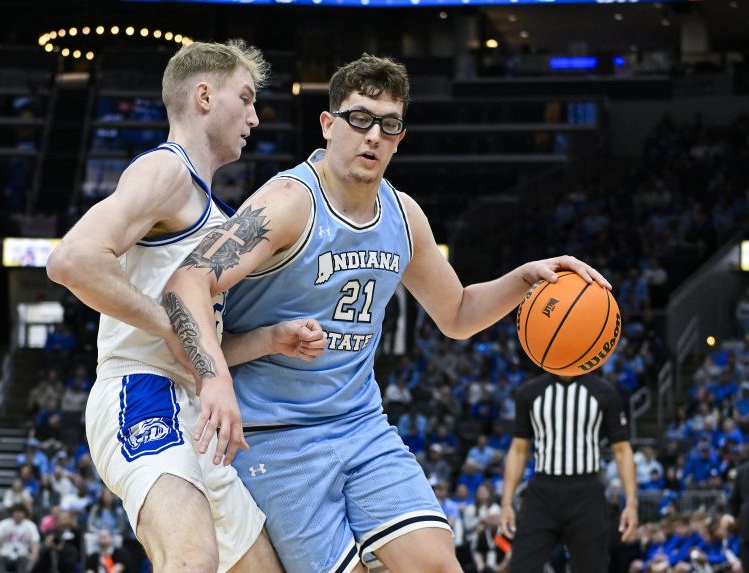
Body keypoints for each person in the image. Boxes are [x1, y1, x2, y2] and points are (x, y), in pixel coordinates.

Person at [164, 53, 611, 572]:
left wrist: (523, 279)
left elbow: (457, 313)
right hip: (276, 434)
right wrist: (214, 378)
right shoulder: (288, 202)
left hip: (361, 425)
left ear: (401, 137)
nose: (373, 135)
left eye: (389, 124)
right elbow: (186, 282)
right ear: (328, 125)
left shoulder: (403, 216)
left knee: (438, 565)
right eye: (359, 119)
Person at [46, 39, 326, 573]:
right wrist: (173, 327)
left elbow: (198, 345)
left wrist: (270, 340)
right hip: (142, 390)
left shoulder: (211, 206)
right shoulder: (166, 170)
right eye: (245, 99)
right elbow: (72, 259)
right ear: (203, 96)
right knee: (191, 558)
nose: (254, 117)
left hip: (195, 408)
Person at [499, 373, 639, 573]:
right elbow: (518, 449)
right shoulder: (530, 392)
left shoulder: (603, 391)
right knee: (521, 567)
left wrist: (632, 504)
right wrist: (506, 503)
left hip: (587, 491)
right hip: (542, 491)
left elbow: (622, 450)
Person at [0, 504, 40, 573]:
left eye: (20, 512)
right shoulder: (3, 524)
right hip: (5, 554)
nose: (18, 514)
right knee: (0, 560)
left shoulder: (30, 526)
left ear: (24, 513)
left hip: (22, 555)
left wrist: (30, 566)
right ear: (12, 513)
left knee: (24, 561)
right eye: (16, 512)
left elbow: (35, 546)